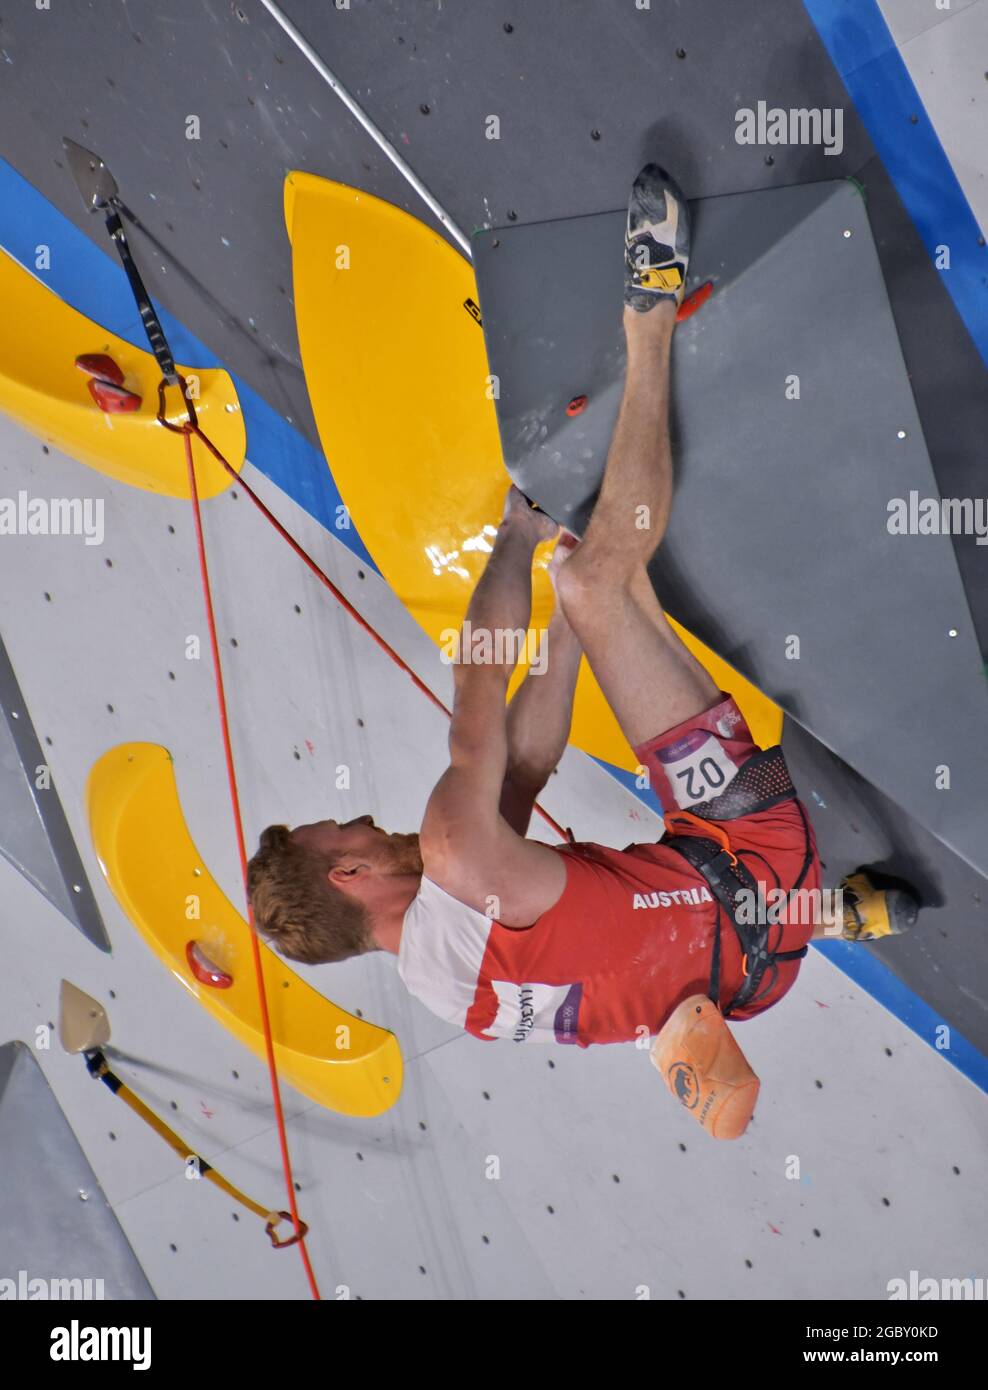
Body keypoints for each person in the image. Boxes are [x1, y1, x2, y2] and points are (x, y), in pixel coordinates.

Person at [248, 166, 915, 1048]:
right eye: (349, 828)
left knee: (596, 594)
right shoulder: (449, 849)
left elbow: (526, 772)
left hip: (761, 973)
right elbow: (481, 676)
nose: (369, 819)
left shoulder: (451, 996)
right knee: (605, 582)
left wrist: (569, 632)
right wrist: (523, 540)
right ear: (348, 873)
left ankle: (842, 914)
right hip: (751, 842)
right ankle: (650, 317)